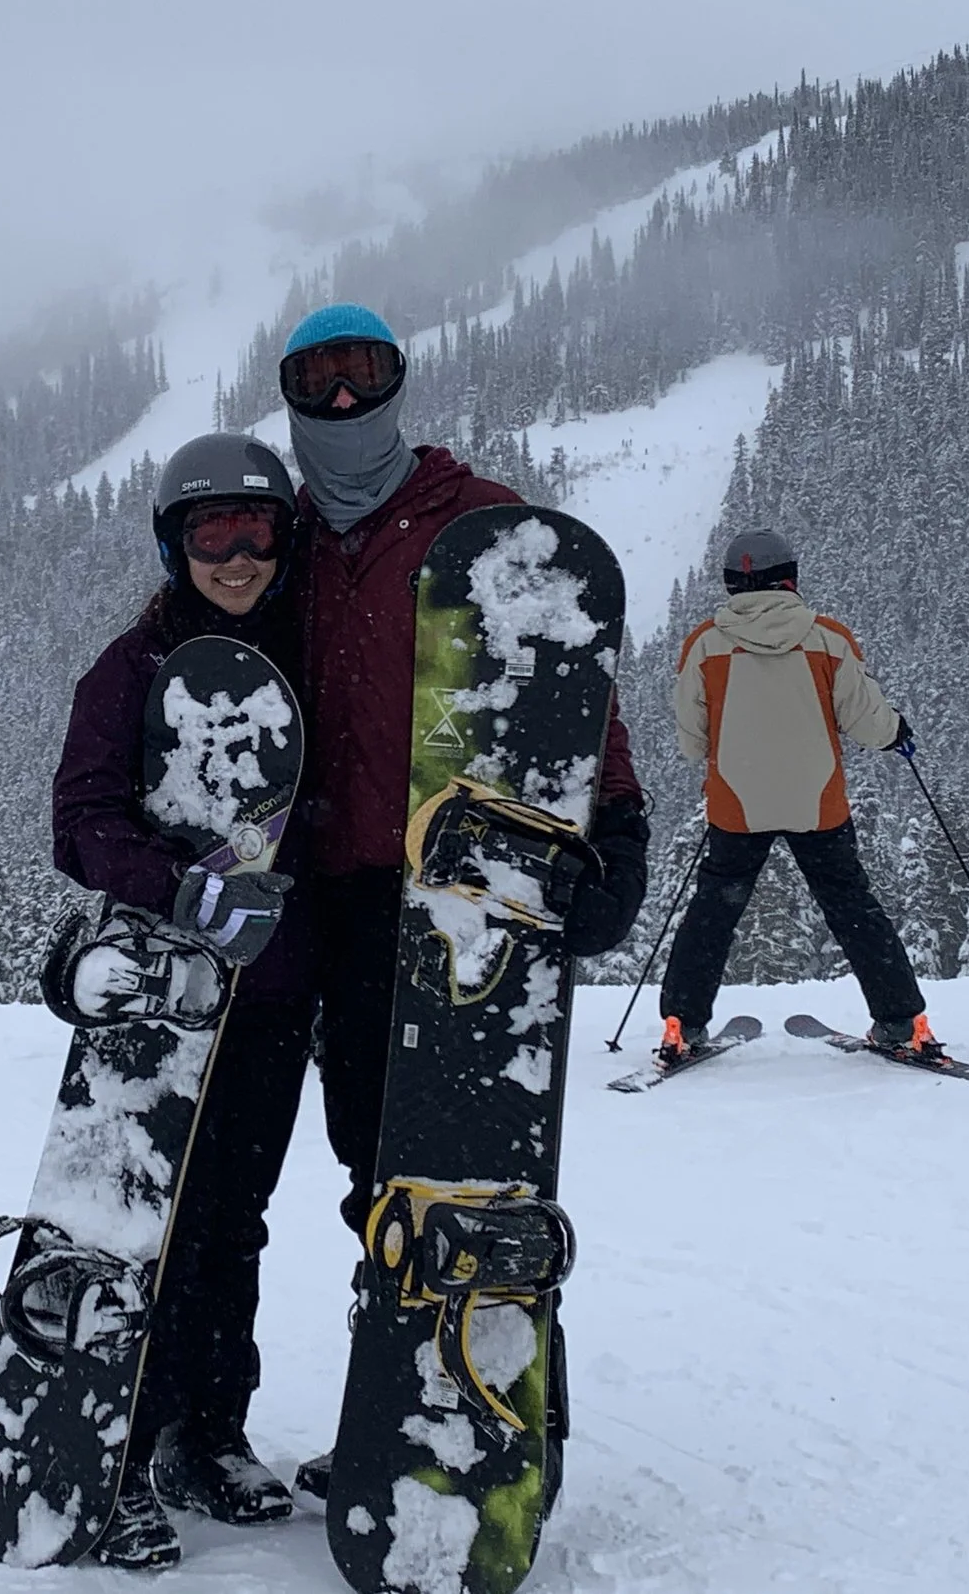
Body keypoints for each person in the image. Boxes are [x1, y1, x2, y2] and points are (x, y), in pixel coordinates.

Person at [275, 302, 651, 1496]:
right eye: (318, 378)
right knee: (372, 1165)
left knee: (478, 1159)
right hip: (338, 897)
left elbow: (564, 693)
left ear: (399, 383)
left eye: (362, 372)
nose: (343, 399)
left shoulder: (475, 519)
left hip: (466, 894)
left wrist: (613, 822)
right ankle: (401, 1396)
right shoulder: (280, 540)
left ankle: (506, 1398)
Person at [49, 431, 313, 1571]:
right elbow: (80, 819)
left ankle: (206, 1434)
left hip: (275, 993)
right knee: (149, 1225)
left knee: (233, 1220)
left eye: (257, 531)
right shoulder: (134, 668)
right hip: (163, 998)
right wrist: (180, 889)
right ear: (175, 546)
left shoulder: (309, 658)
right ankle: (117, 1446)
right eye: (212, 532)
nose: (237, 556)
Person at [658, 526, 934, 1068]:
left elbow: (691, 742)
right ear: (790, 579)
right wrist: (897, 731)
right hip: (818, 801)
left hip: (736, 804)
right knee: (850, 904)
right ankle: (901, 1021)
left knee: (714, 911)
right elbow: (867, 722)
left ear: (731, 584)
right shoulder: (827, 639)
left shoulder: (705, 645)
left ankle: (682, 1025)